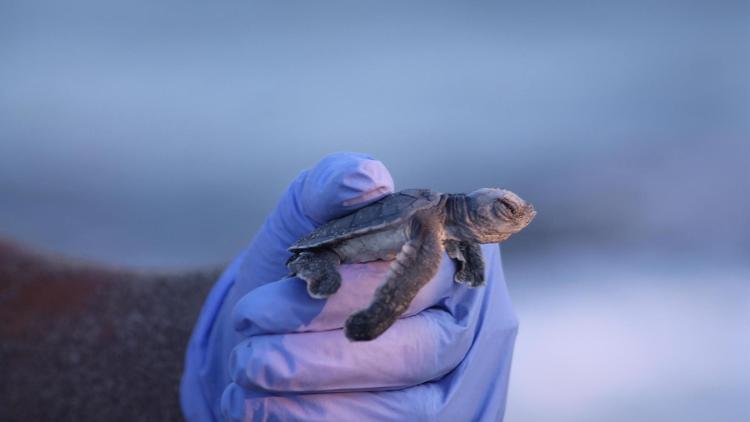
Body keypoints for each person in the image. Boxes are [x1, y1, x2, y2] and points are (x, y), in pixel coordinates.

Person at [180, 152, 519, 421]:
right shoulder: (430, 221)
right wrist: (377, 316)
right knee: (396, 270)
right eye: (505, 210)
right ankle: (314, 265)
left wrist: (472, 269)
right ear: (472, 206)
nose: (518, 218)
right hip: (341, 244)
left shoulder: (456, 233)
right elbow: (412, 273)